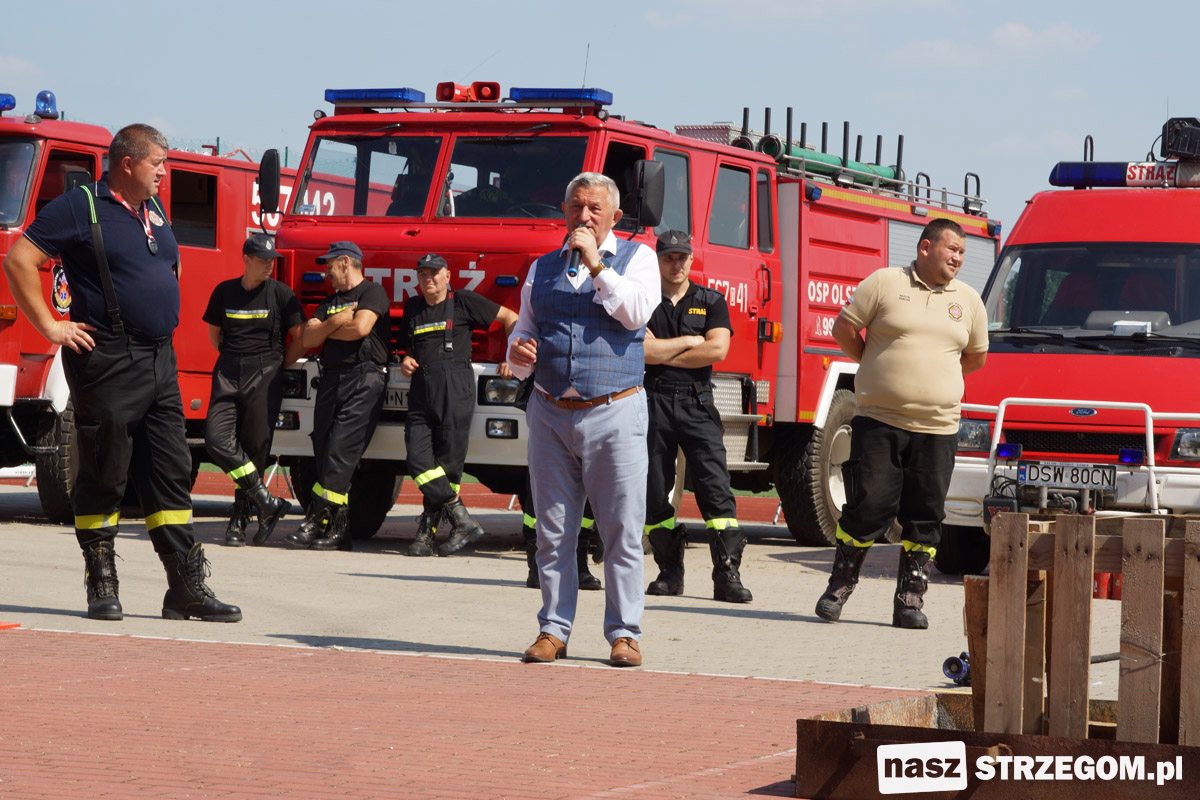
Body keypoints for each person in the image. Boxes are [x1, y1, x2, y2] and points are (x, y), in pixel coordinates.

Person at [0, 123, 241, 622]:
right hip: (107, 358)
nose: (165, 173)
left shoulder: (153, 209)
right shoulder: (80, 206)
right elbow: (20, 259)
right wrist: (50, 326)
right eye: (158, 163)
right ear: (127, 164)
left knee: (171, 471)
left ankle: (185, 588)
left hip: (159, 359)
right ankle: (102, 583)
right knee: (105, 471)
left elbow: (169, 267)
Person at [507, 172, 658, 668]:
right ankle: (553, 629)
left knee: (621, 531)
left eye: (594, 208)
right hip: (550, 411)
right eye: (576, 207)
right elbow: (524, 331)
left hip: (615, 409)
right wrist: (518, 352)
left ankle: (624, 633)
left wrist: (596, 264)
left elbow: (636, 313)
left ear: (615, 216)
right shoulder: (542, 267)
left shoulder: (639, 259)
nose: (584, 216)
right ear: (565, 212)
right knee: (552, 532)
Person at [815, 218, 988, 629]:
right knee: (868, 505)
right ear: (926, 248)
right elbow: (844, 329)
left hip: (938, 428)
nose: (958, 258)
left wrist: (935, 382)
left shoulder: (969, 300)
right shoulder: (884, 283)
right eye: (952, 249)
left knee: (925, 514)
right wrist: (875, 365)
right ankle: (840, 585)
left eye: (963, 252)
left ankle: (910, 599)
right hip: (879, 420)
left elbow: (975, 357)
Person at [642, 230, 752, 604]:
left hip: (697, 403)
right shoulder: (643, 300)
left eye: (682, 257)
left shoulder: (711, 300)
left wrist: (661, 351)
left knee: (715, 489)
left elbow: (717, 350)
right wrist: (691, 342)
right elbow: (638, 352)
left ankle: (727, 577)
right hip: (653, 402)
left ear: (691, 259)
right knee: (653, 491)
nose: (676, 264)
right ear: (658, 260)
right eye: (668, 257)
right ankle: (669, 574)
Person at [398, 252, 517, 557]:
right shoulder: (412, 307)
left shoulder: (463, 300)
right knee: (418, 460)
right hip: (421, 389)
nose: (428, 278)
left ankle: (426, 534)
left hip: (455, 388)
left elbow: (510, 318)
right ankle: (461, 518)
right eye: (422, 274)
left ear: (447, 276)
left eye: (434, 273)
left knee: (448, 466)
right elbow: (406, 348)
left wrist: (510, 357)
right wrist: (405, 359)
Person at [284, 241, 389, 552]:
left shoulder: (372, 292)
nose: (326, 273)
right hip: (330, 380)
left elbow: (359, 329)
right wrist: (335, 321)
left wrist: (326, 330)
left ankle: (315, 520)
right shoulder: (330, 302)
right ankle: (339, 531)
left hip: (363, 378)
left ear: (345, 262)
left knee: (340, 450)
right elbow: (308, 338)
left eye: (329, 265)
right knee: (324, 448)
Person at [203, 233, 306, 547]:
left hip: (266, 373)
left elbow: (300, 337)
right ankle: (265, 501)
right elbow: (215, 336)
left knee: (255, 448)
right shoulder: (224, 291)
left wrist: (278, 366)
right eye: (262, 260)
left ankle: (239, 519)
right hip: (228, 371)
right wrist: (233, 362)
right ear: (246, 259)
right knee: (216, 439)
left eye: (272, 260)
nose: (269, 266)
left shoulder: (281, 293)